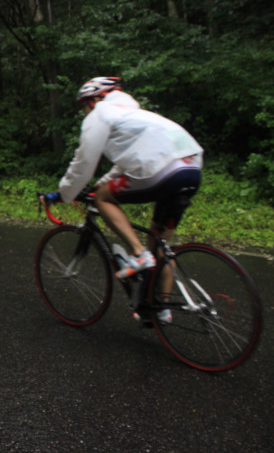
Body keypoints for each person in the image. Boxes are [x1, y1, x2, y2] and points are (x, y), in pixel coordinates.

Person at [43, 77, 204, 321]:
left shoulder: (100, 114)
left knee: (104, 199)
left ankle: (139, 254)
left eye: (84, 107)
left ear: (95, 100)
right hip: (191, 169)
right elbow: (128, 162)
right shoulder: (133, 115)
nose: (84, 113)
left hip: (162, 168)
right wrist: (99, 183)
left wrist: (64, 194)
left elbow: (83, 163)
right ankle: (160, 309)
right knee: (159, 245)